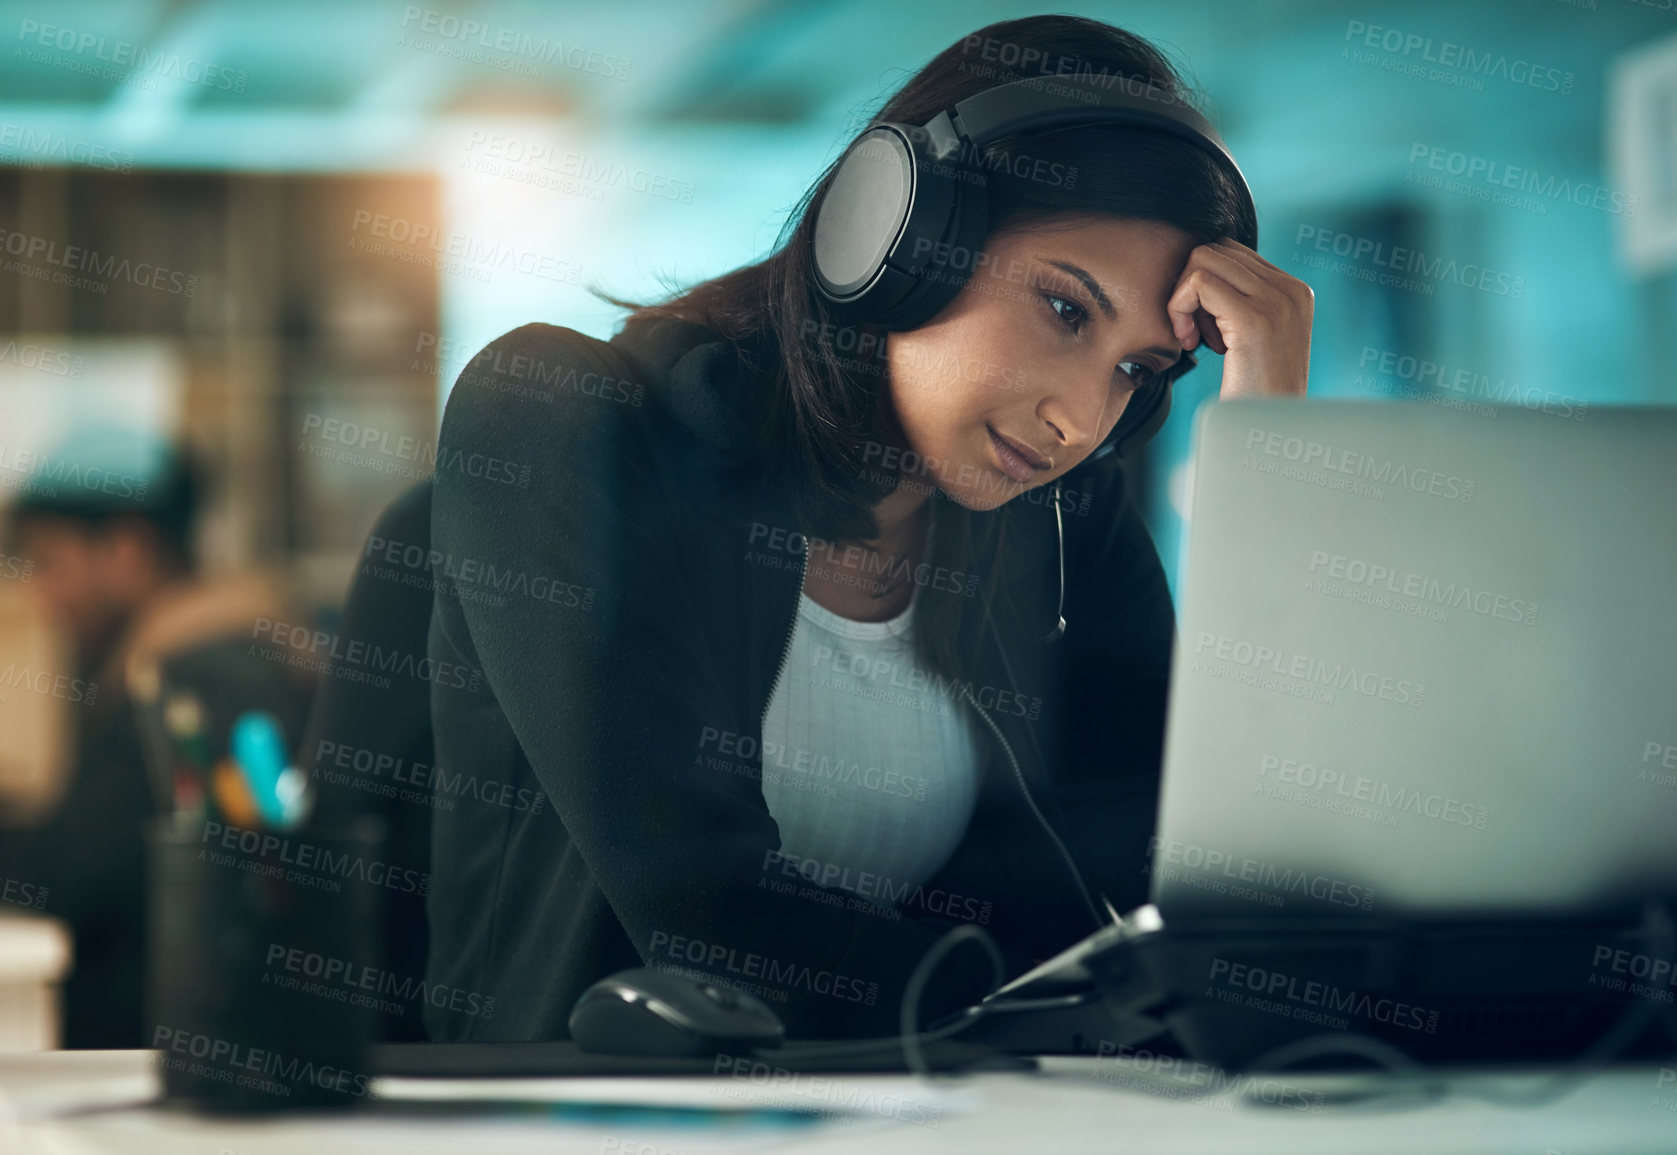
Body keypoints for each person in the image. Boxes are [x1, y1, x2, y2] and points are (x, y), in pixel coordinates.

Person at [422, 14, 1313, 1043]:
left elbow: (1213, 878)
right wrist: (1053, 1021)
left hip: (929, 1118)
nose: (1081, 418)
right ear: (895, 241)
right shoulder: (561, 421)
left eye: (1135, 371)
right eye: (1067, 310)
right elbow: (706, 913)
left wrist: (1268, 456)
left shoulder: (1061, 526)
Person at [0, 440, 306, 1047]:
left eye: (48, 561)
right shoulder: (201, 662)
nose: (39, 593)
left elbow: (78, 872)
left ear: (126, 550)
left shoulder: (196, 684)